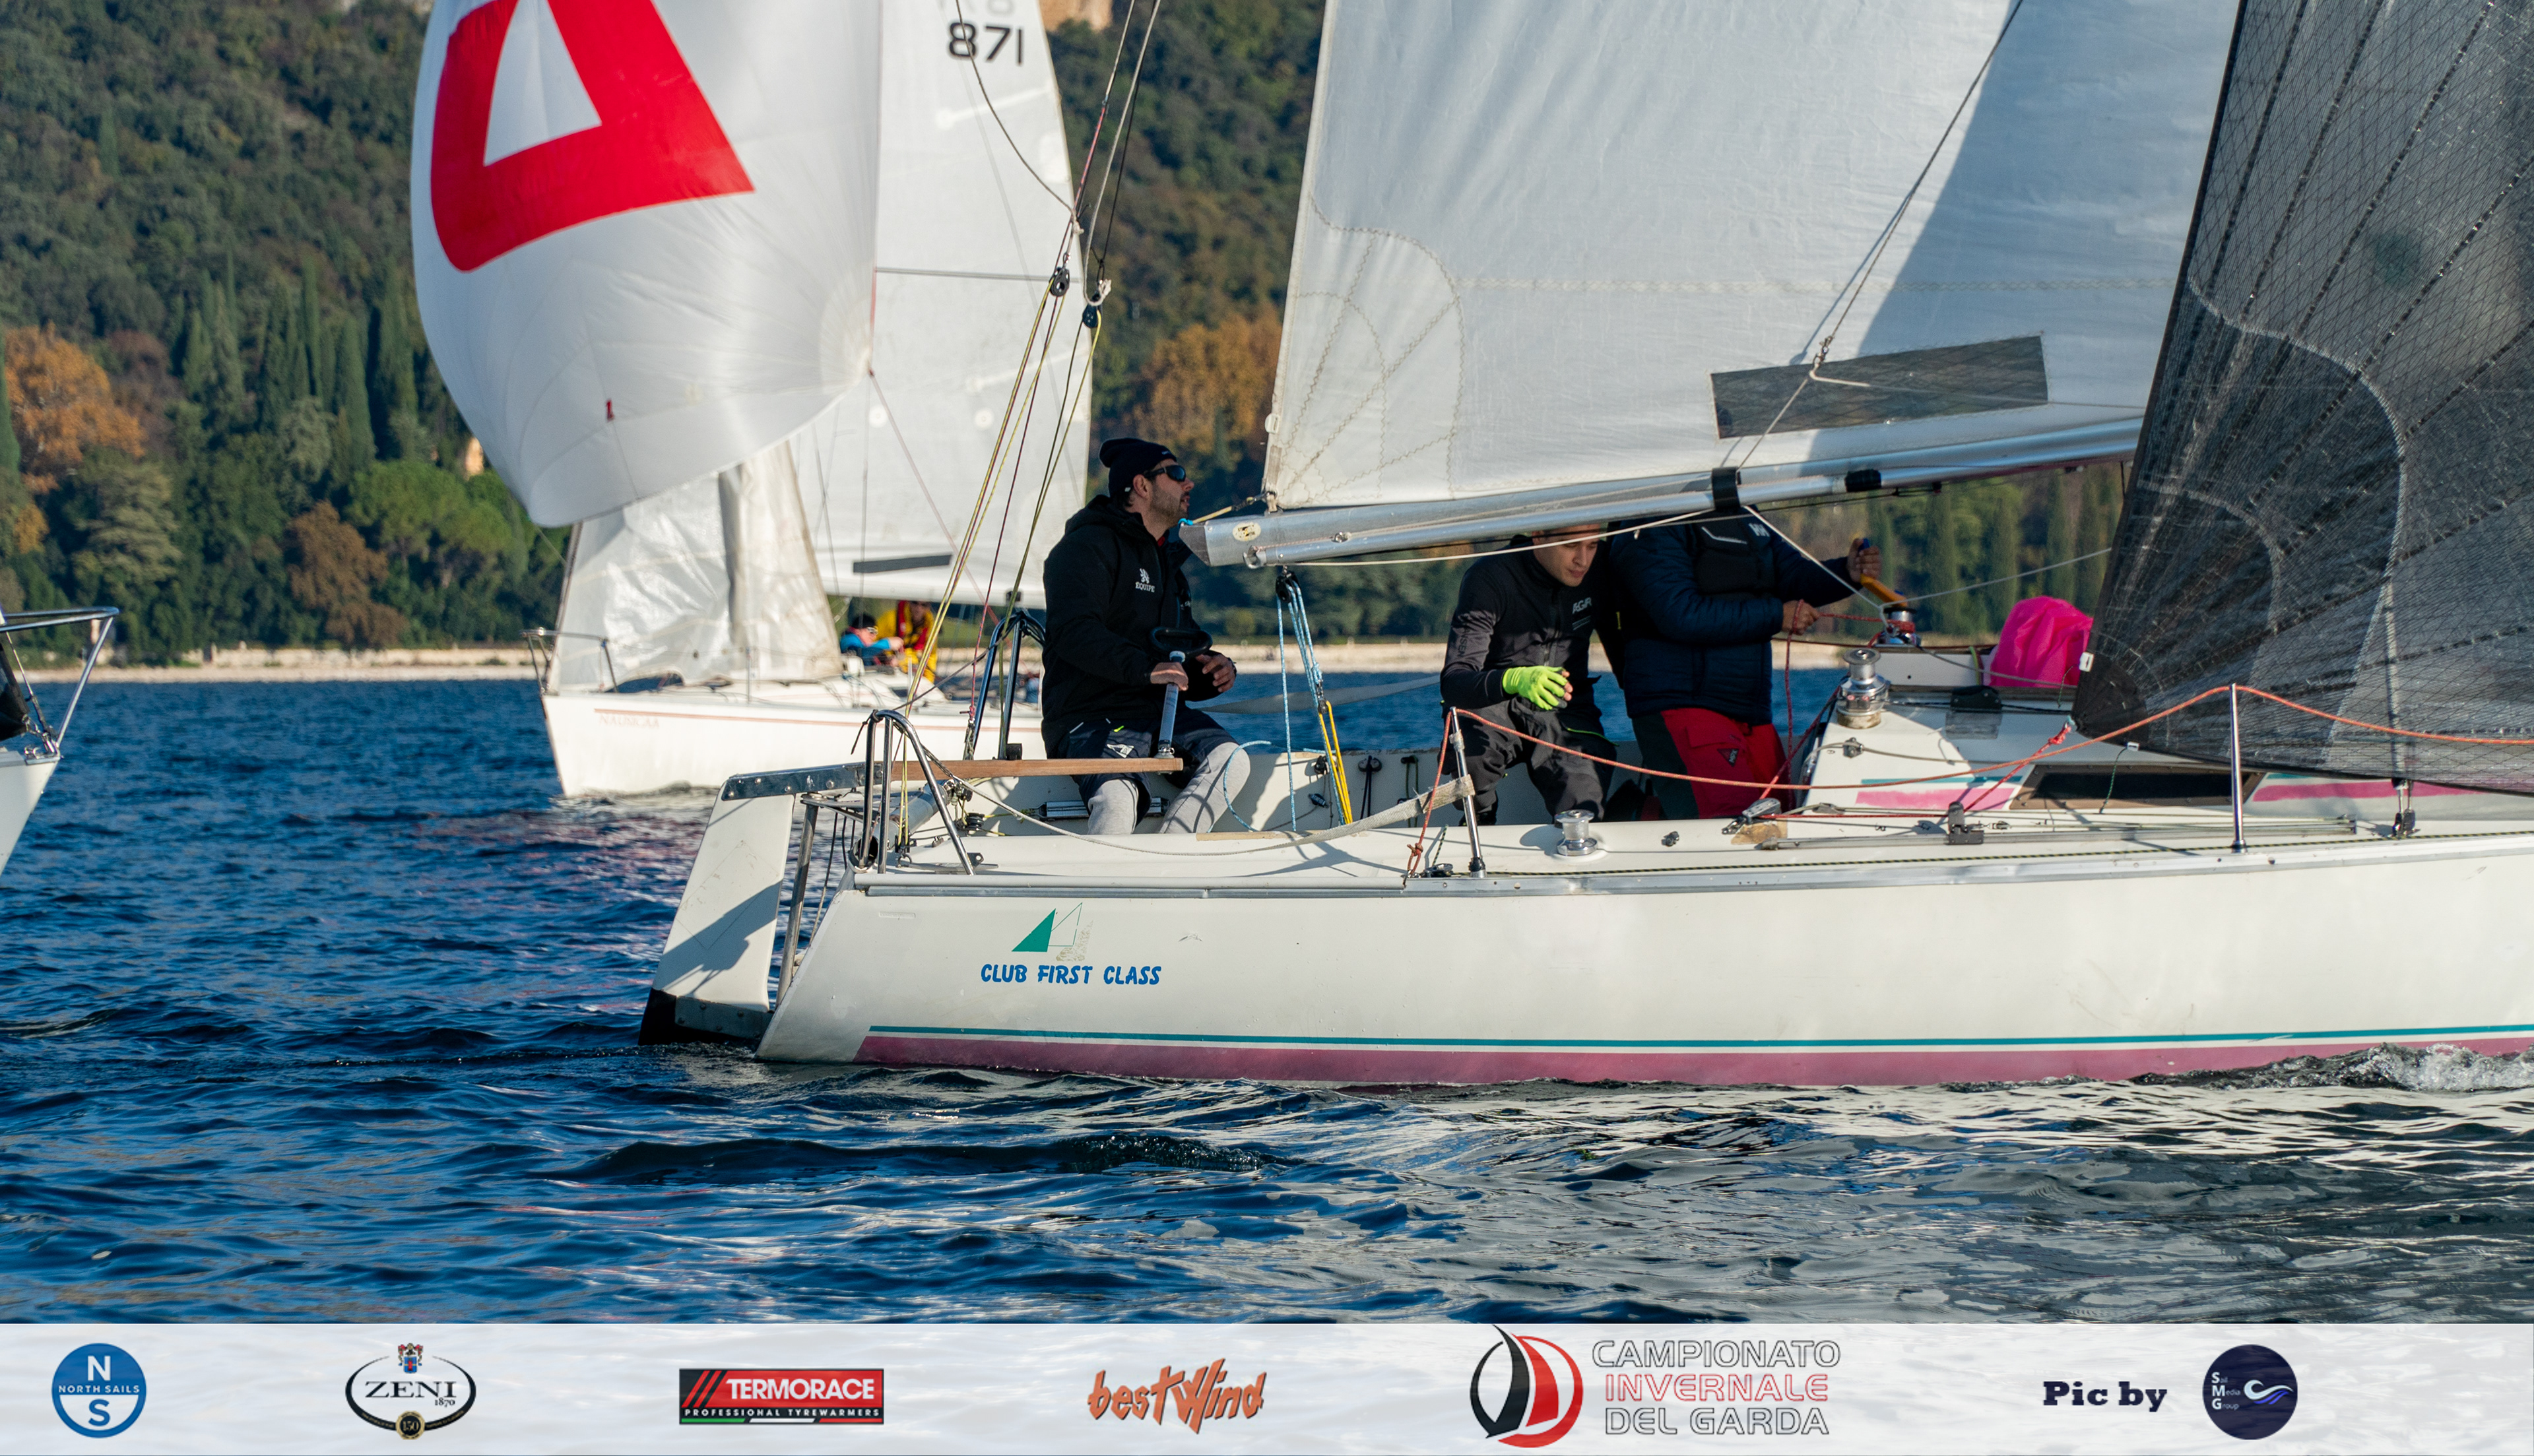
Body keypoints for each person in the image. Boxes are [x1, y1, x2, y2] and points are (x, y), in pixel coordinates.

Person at [1602, 512, 1882, 817]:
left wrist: (1846, 572)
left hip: (1748, 710)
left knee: (1780, 818)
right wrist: (1776, 616)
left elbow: (1792, 574)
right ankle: (1633, 824)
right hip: (1683, 703)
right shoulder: (1651, 525)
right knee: (1734, 827)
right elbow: (1680, 614)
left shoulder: (1743, 515)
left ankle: (1644, 818)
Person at [1039, 437, 1247, 835]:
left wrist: (1213, 670)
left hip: (1158, 716)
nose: (1189, 485)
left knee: (1232, 759)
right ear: (1142, 486)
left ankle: (1167, 858)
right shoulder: (1083, 549)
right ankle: (1097, 894)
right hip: (1089, 715)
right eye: (1177, 474)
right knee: (1117, 799)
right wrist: (1149, 669)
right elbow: (1074, 633)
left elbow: (1177, 655)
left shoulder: (1167, 563)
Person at [1439, 523, 1609, 825]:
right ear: (1538, 535)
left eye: (1593, 545)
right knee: (1474, 759)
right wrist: (1514, 680)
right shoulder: (1490, 577)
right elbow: (1454, 681)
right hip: (1495, 705)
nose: (1583, 560)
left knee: (1584, 806)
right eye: (1571, 546)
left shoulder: (1601, 571)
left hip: (1568, 707)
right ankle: (1481, 821)